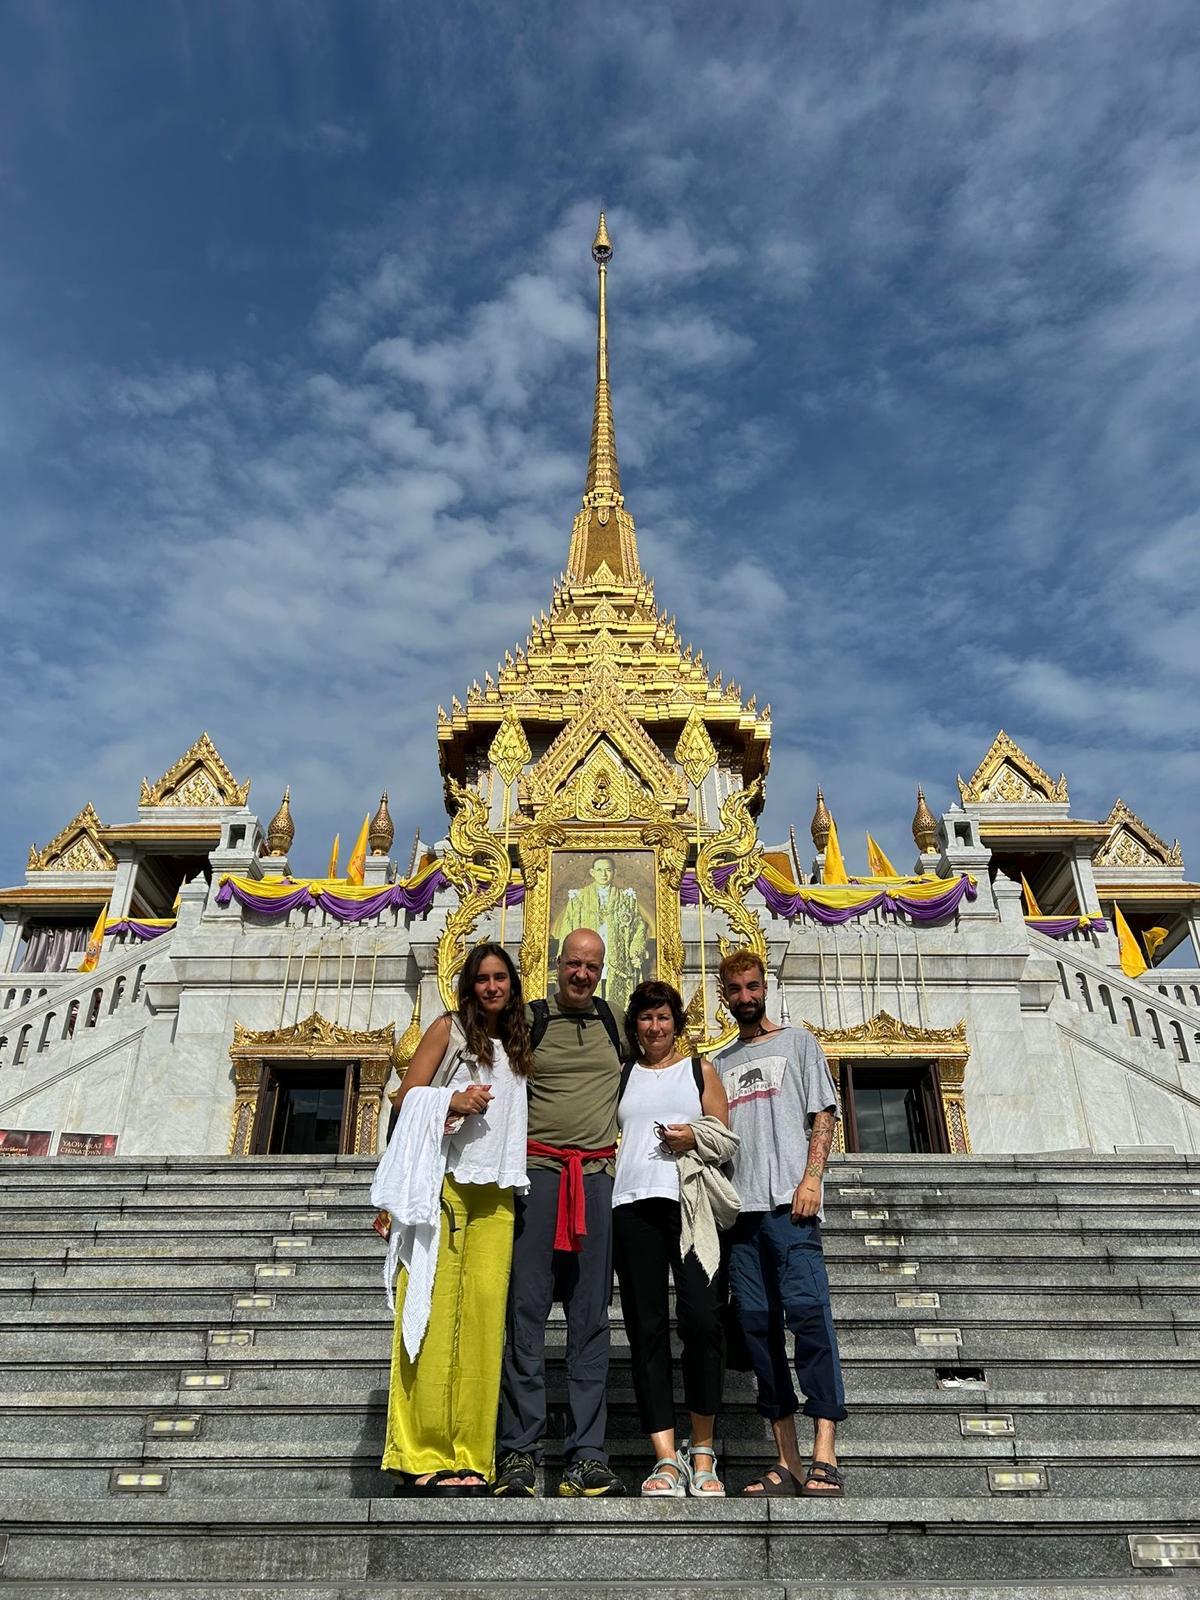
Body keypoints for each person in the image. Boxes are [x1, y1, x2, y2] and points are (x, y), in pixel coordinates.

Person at [373, 942, 532, 1496]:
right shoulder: (448, 1029)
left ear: (513, 984)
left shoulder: (519, 1040)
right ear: (468, 986)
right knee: (432, 1318)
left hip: (499, 1194)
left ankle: (470, 1454)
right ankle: (420, 1452)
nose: (492, 987)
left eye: (501, 979)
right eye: (483, 979)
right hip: (444, 1185)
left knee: (486, 1326)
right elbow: (404, 1097)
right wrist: (453, 1101)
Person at [494, 927, 627, 1497]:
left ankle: (586, 1455)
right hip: (537, 1178)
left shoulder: (616, 1022)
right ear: (556, 964)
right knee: (524, 1316)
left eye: (591, 966)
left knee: (590, 1318)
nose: (581, 974)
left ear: (603, 969)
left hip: (595, 1180)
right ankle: (519, 1452)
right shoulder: (529, 1019)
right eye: (573, 964)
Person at [716, 949, 848, 1498]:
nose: (746, 997)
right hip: (741, 1216)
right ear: (723, 996)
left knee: (811, 1323)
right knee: (758, 1332)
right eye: (735, 990)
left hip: (791, 1207)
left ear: (764, 987)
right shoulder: (718, 1063)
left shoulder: (799, 1043)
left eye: (752, 987)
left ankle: (825, 1451)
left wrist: (812, 1178)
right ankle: (787, 1459)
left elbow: (823, 1113)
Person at [612, 979, 737, 1497]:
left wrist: (692, 1135)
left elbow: (726, 1137)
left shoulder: (698, 1069)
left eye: (663, 1018)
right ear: (635, 1026)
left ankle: (702, 1451)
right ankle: (665, 1455)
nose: (654, 1027)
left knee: (703, 1320)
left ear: (677, 1024)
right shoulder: (623, 1075)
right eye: (645, 1018)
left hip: (689, 1204)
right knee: (646, 1329)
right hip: (631, 1204)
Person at [552, 855, 649, 1019]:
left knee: (615, 1006)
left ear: (614, 872)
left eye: (608, 870)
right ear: (592, 872)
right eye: (599, 870)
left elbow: (639, 926)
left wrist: (634, 951)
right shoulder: (579, 899)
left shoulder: (626, 899)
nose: (604, 874)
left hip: (617, 960)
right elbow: (567, 929)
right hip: (586, 959)